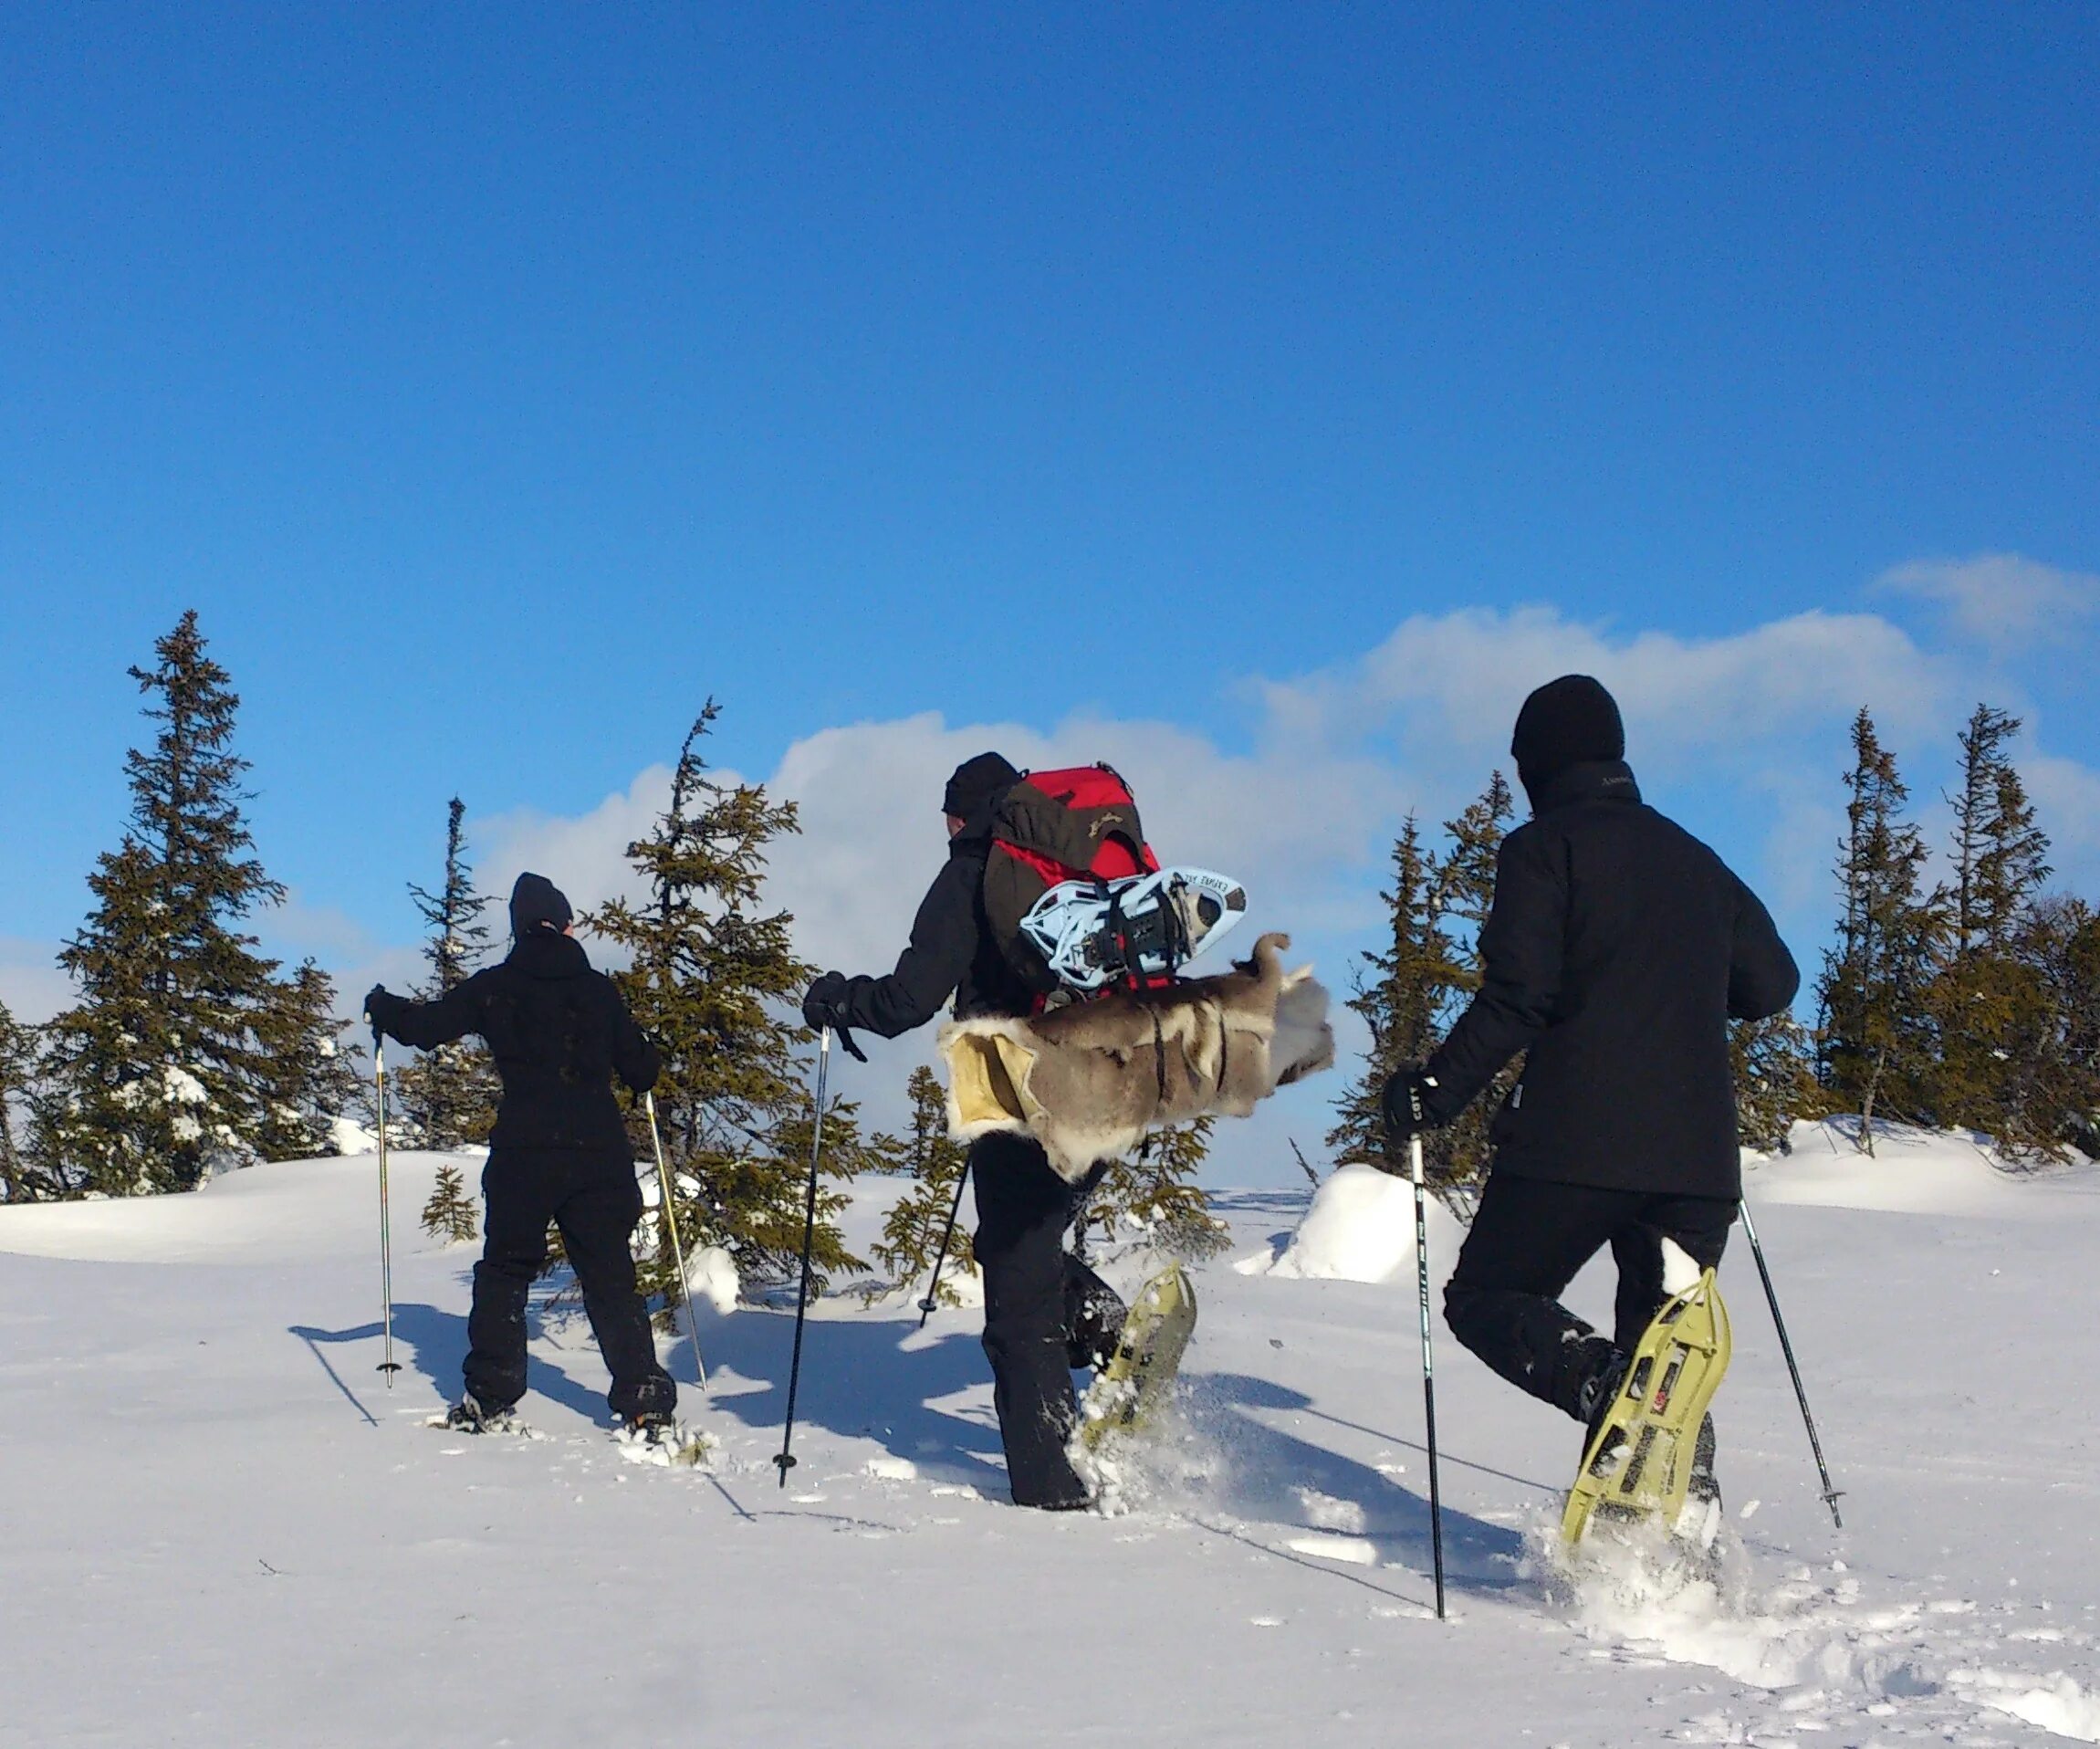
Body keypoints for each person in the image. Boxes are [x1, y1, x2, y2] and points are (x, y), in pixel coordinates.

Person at [1383, 675, 1799, 1497]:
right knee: (1663, 1355)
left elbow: (1518, 999)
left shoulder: (1544, 848)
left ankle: (1605, 1388)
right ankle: (1665, 1554)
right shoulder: (1697, 860)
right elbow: (1771, 987)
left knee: (1488, 1297)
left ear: (1538, 764)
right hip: (1696, 1163)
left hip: (1574, 1143)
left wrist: (1430, 1092)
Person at [800, 752, 1123, 1511]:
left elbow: (909, 997)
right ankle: (1105, 1329)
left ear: (961, 815)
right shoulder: (1076, 868)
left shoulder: (973, 872)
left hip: (1020, 1095)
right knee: (1021, 1249)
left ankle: (1053, 1486)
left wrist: (840, 1002)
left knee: (1015, 1293)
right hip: (1113, 1082)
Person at [365, 872, 674, 1435]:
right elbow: (641, 1071)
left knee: (505, 1271)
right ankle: (644, 1398)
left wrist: (383, 1007)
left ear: (518, 929)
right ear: (566, 925)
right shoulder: (598, 991)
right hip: (597, 1153)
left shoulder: (497, 985)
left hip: (524, 1153)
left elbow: (427, 1026)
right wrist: (641, 1051)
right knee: (610, 1277)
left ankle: (492, 1391)